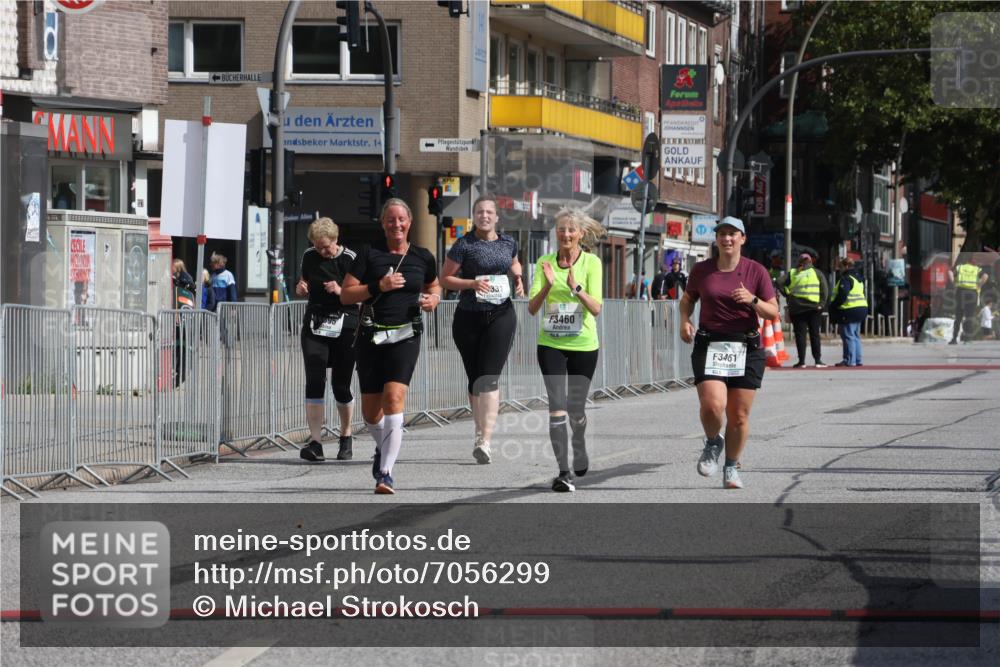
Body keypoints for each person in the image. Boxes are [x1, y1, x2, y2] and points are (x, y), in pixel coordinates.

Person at [341, 199, 441, 494]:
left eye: (401, 220)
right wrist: (378, 287)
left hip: (406, 335)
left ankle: (385, 473)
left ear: (410, 222)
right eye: (390, 220)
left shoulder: (423, 257)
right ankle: (383, 450)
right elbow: (346, 295)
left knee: (394, 398)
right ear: (383, 224)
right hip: (371, 336)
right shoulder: (368, 254)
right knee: (372, 414)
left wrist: (433, 299)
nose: (396, 225)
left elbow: (434, 285)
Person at [680, 216, 779, 490]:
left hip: (746, 346)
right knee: (713, 405)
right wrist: (684, 320)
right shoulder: (702, 270)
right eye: (722, 234)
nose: (726, 239)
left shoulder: (756, 271)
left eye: (732, 234)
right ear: (717, 239)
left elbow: (774, 311)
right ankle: (713, 441)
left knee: (738, 415)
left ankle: (732, 466)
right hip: (710, 343)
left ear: (742, 239)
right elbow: (688, 299)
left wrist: (753, 300)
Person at [439, 195, 524, 464]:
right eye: (479, 212)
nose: (484, 216)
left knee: (489, 377)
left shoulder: (508, 242)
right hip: (468, 317)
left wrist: (519, 278)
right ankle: (479, 433)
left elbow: (514, 263)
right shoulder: (464, 245)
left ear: (496, 217)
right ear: (474, 216)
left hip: (501, 314)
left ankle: (485, 440)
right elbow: (446, 279)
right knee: (475, 380)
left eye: (489, 212)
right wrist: (472, 285)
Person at [528, 208, 604, 493]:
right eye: (561, 229)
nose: (566, 234)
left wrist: (577, 288)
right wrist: (547, 286)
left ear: (581, 234)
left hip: (584, 345)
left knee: (575, 410)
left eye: (571, 230)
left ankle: (579, 441)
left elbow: (596, 308)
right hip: (551, 344)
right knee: (556, 406)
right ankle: (563, 473)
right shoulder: (544, 262)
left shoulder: (592, 263)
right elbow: (532, 308)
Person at [295, 217, 360, 463]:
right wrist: (301, 288)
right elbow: (304, 282)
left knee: (340, 385)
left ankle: (346, 435)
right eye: (318, 247)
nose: (322, 252)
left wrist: (342, 291)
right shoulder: (309, 256)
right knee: (314, 379)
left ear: (336, 240)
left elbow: (363, 294)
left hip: (346, 325)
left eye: (326, 247)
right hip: (316, 324)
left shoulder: (350, 259)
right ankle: (316, 442)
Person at [781, 252, 829, 367]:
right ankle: (817, 361)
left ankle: (801, 361)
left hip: (797, 309)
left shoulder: (793, 273)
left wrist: (787, 294)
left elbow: (778, 283)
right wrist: (822, 304)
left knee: (800, 335)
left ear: (799, 261)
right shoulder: (817, 273)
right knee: (814, 335)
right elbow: (825, 290)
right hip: (814, 309)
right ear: (811, 261)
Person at [831, 258, 868, 367]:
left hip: (849, 309)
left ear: (846, 266)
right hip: (861, 308)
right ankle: (857, 359)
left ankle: (849, 360)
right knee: (855, 335)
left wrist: (834, 305)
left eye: (841, 267)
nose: (840, 269)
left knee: (848, 335)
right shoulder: (858, 278)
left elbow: (843, 295)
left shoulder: (846, 278)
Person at [949, 258, 987, 344]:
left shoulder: (960, 267)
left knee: (958, 316)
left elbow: (950, 272)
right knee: (969, 316)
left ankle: (954, 339)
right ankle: (967, 339)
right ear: (974, 263)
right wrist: (979, 285)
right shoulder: (977, 269)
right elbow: (985, 276)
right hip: (972, 293)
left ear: (967, 262)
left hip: (960, 291)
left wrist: (953, 283)